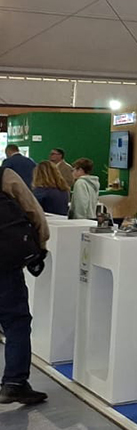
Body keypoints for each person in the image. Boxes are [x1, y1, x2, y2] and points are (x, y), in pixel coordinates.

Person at [0, 162, 49, 404]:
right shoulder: (4, 176)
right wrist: (39, 247)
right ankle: (14, 383)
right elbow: (33, 211)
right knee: (16, 321)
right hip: (4, 265)